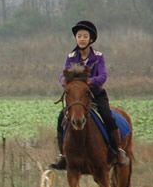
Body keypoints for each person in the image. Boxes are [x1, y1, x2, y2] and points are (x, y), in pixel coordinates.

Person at [49, 20, 129, 170]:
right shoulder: (71, 57)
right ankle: (63, 155)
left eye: (85, 36)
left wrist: (88, 82)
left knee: (107, 116)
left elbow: (103, 76)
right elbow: (63, 75)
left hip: (96, 95)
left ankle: (117, 150)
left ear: (91, 39)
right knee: (61, 117)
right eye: (79, 36)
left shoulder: (98, 57)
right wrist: (65, 82)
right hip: (77, 98)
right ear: (76, 38)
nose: (82, 38)